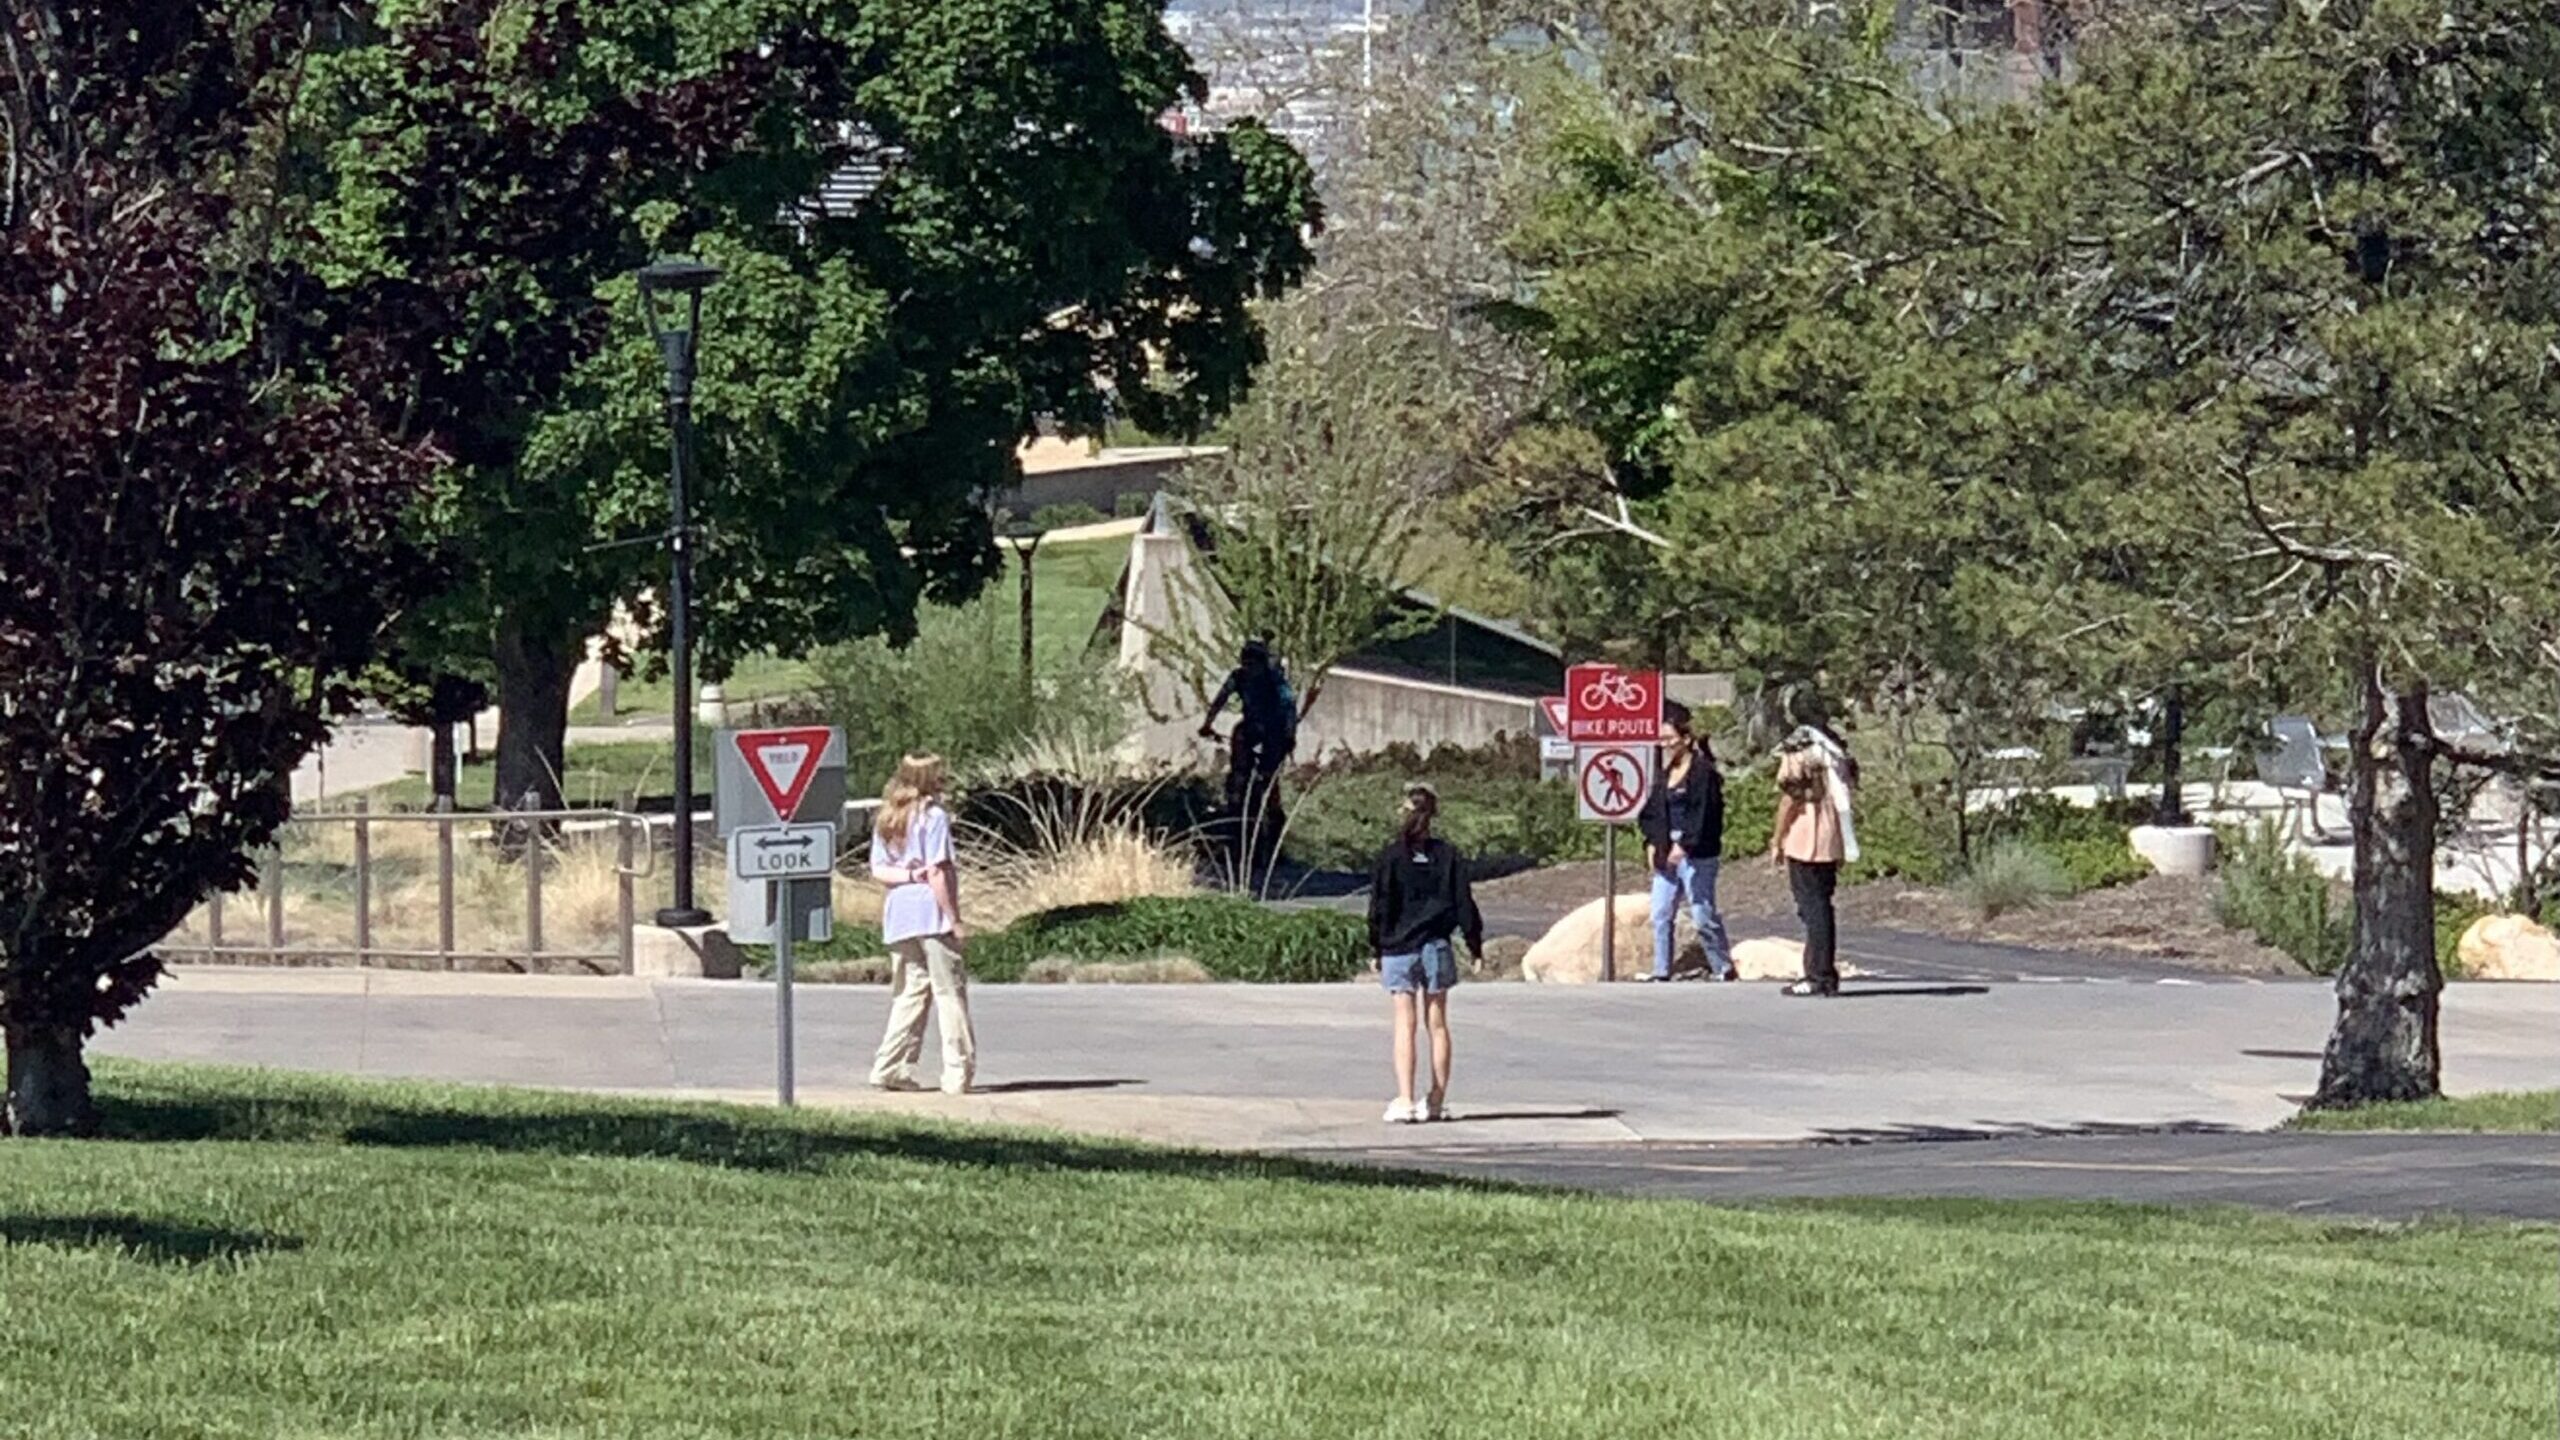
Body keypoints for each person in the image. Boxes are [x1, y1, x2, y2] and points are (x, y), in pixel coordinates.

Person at [1366, 782, 1484, 1124]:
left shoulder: (1390, 857)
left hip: (1398, 948)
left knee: (1405, 1024)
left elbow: (1381, 905)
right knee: (1438, 1024)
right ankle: (1435, 1099)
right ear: (1433, 815)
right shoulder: (1448, 855)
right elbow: (1464, 902)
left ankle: (1404, 1099)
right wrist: (1474, 943)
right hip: (1436, 945)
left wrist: (1376, 944)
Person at [867, 752, 976, 1093]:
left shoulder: (888, 818)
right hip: (931, 913)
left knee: (910, 993)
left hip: (899, 914)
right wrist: (953, 918)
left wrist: (907, 875)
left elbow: (880, 870)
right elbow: (938, 871)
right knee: (949, 993)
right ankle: (957, 1071)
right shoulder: (933, 817)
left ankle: (890, 1066)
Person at [1638, 701, 1734, 982]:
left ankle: (1722, 966)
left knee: (1702, 912)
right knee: (1660, 912)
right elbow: (1652, 812)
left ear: (1686, 739)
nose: (1664, 744)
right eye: (1661, 739)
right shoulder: (1665, 774)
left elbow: (1704, 813)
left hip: (1698, 855)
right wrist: (1653, 843)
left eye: (1669, 738)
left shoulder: (1703, 774)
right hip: (1666, 853)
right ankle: (1661, 970)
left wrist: (1686, 845)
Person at [1770, 727, 1860, 997]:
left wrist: (1777, 838)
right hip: (1831, 836)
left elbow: (1790, 799)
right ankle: (1824, 973)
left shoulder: (1799, 753)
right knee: (1821, 905)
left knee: (1812, 908)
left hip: (1805, 837)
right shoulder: (1835, 752)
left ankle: (1817, 975)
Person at [1198, 637, 1297, 812]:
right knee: (1240, 757)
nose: (1249, 666)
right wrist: (1207, 723)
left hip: (1274, 731)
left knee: (1268, 774)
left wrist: (1289, 735)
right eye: (1246, 660)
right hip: (1253, 727)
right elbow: (1220, 700)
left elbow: (1288, 706)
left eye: (1253, 660)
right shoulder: (1239, 677)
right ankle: (1237, 800)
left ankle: (1272, 812)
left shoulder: (1274, 680)